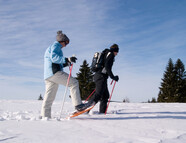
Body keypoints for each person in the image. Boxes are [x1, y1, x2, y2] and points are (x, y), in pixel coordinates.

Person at [41, 30, 88, 118]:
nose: (65, 46)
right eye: (66, 43)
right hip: (54, 73)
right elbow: (54, 58)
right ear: (62, 41)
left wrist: (66, 63)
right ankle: (79, 106)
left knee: (49, 98)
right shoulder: (56, 45)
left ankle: (45, 117)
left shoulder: (51, 47)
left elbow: (55, 61)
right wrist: (67, 59)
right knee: (73, 82)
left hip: (48, 75)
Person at [89, 44, 119, 113]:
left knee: (105, 96)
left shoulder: (106, 53)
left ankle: (102, 113)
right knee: (98, 94)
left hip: (101, 76)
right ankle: (85, 109)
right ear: (115, 50)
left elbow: (106, 67)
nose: (117, 54)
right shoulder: (110, 54)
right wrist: (113, 77)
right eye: (117, 52)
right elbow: (107, 67)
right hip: (101, 76)